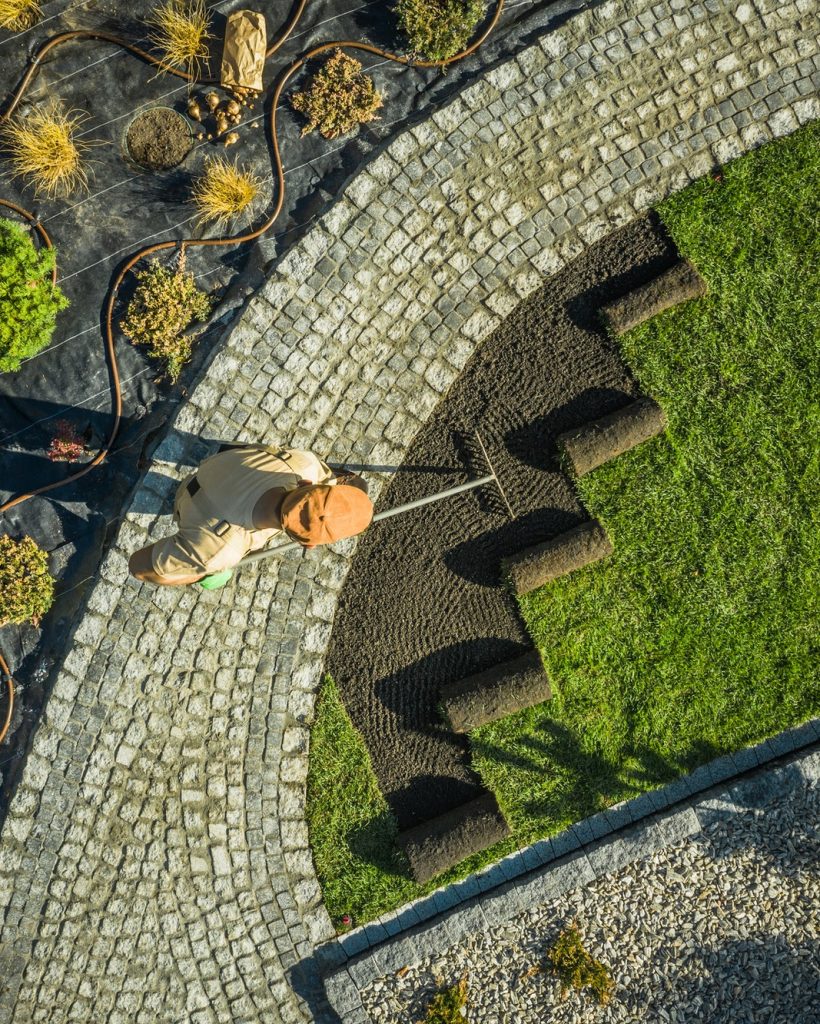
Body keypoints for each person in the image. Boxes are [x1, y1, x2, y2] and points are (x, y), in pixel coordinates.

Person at [128, 444, 373, 587]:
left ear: (307, 483)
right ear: (307, 544)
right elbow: (138, 566)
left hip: (215, 470)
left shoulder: (304, 464)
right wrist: (199, 573)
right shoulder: (219, 552)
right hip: (185, 504)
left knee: (358, 486)